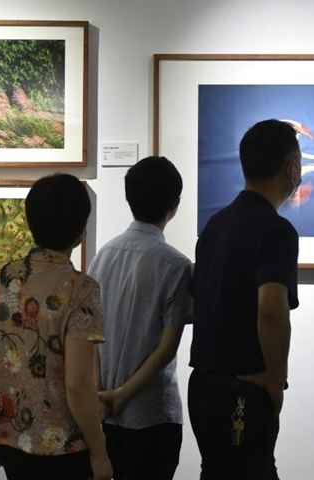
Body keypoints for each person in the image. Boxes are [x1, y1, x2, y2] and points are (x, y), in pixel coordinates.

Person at [0, 173, 112, 480]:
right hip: (63, 447)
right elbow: (77, 384)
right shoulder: (80, 289)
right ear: (81, 228)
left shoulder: (0, 280)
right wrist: (100, 452)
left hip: (9, 441)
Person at [188, 119, 301, 480]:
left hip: (202, 385)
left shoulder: (215, 225)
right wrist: (276, 380)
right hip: (244, 388)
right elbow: (271, 311)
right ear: (291, 169)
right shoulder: (277, 231)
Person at [88, 156, 193, 480]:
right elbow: (167, 347)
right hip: (152, 414)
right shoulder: (176, 265)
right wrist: (123, 395)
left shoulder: (102, 256)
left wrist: (102, 393)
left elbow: (90, 334)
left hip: (105, 411)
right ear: (175, 205)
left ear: (129, 198)